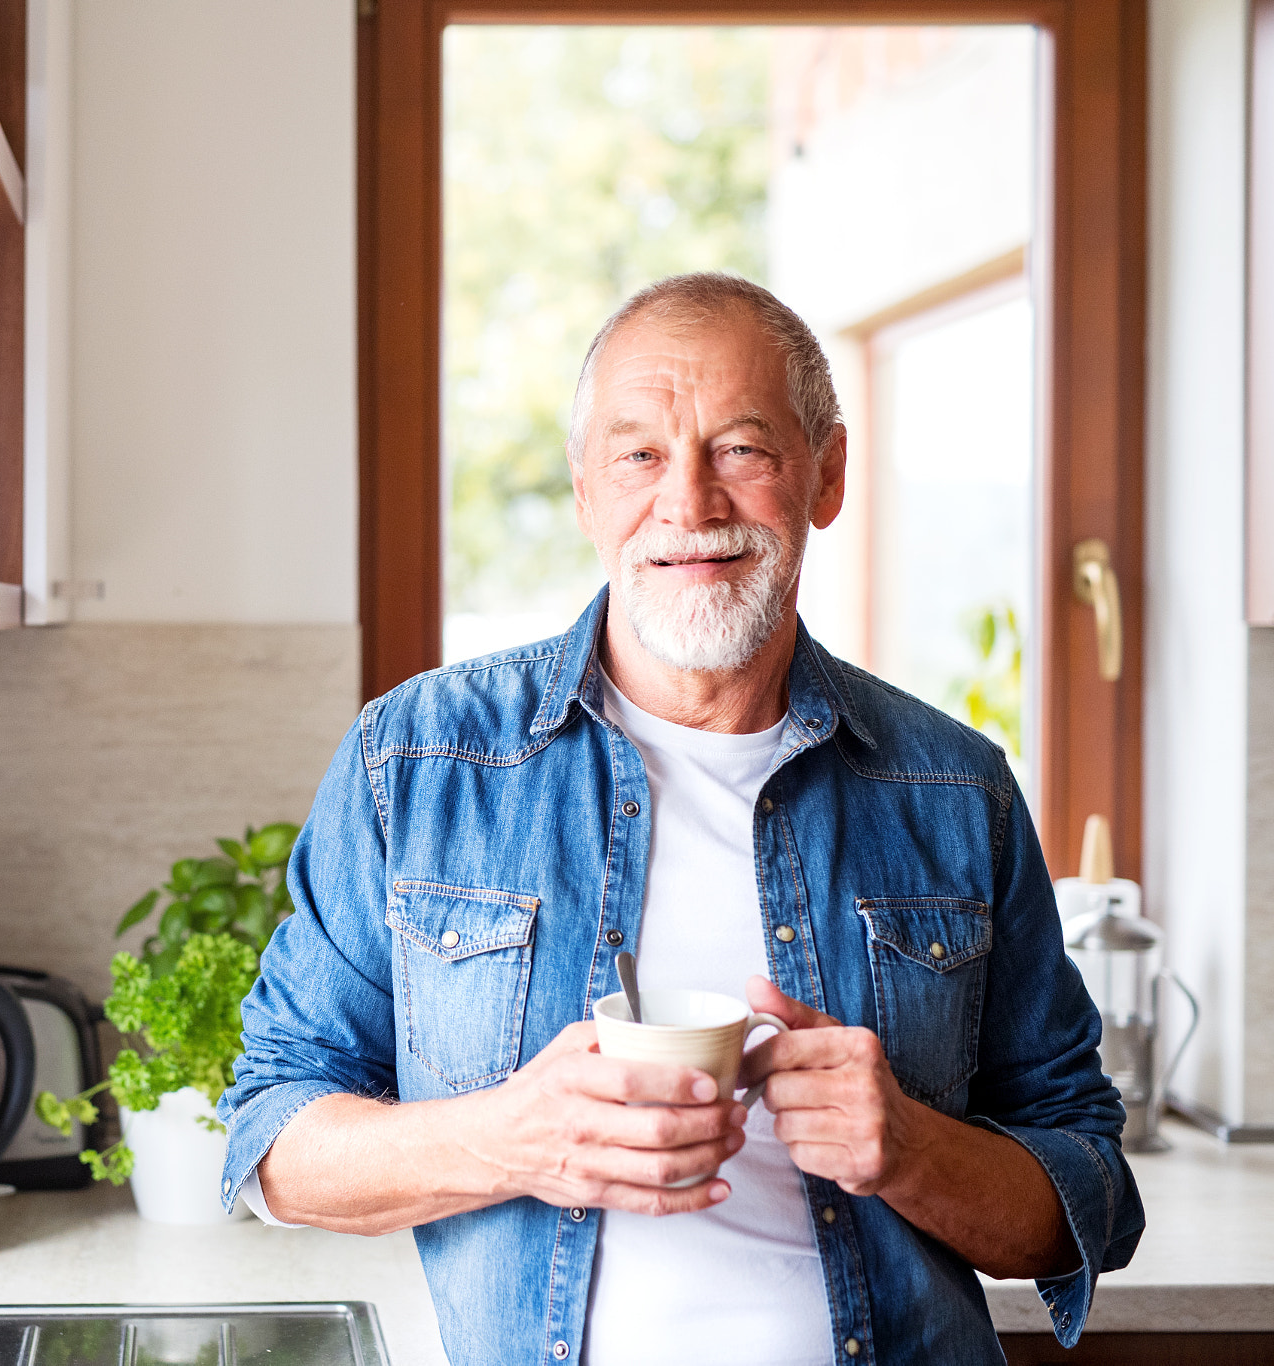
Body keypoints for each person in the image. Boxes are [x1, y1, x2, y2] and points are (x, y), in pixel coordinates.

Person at [217, 273, 1142, 1366]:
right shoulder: (415, 761)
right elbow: (271, 1140)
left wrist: (909, 1150)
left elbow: (1088, 1194)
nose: (689, 505)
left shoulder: (953, 787)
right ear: (583, 493)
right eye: (638, 456)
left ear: (825, 472)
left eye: (740, 449)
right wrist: (511, 1137)